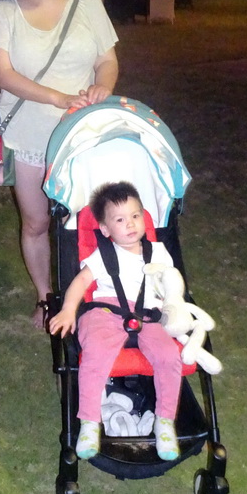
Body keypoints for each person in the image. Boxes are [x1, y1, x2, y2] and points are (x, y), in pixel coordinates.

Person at [0, 0, 119, 327]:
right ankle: (45, 297)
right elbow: (3, 75)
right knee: (37, 222)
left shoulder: (89, 6)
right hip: (29, 136)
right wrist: (58, 96)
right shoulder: (4, 11)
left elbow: (107, 61)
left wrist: (104, 87)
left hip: (80, 134)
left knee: (90, 221)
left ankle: (91, 298)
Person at [48, 181, 183, 462]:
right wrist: (69, 309)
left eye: (135, 216)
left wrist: (177, 309)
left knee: (170, 356)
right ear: (106, 229)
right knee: (96, 352)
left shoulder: (158, 252)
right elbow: (81, 281)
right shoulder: (104, 253)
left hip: (149, 313)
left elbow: (172, 286)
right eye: (120, 219)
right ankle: (89, 422)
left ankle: (165, 421)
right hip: (106, 311)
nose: (130, 224)